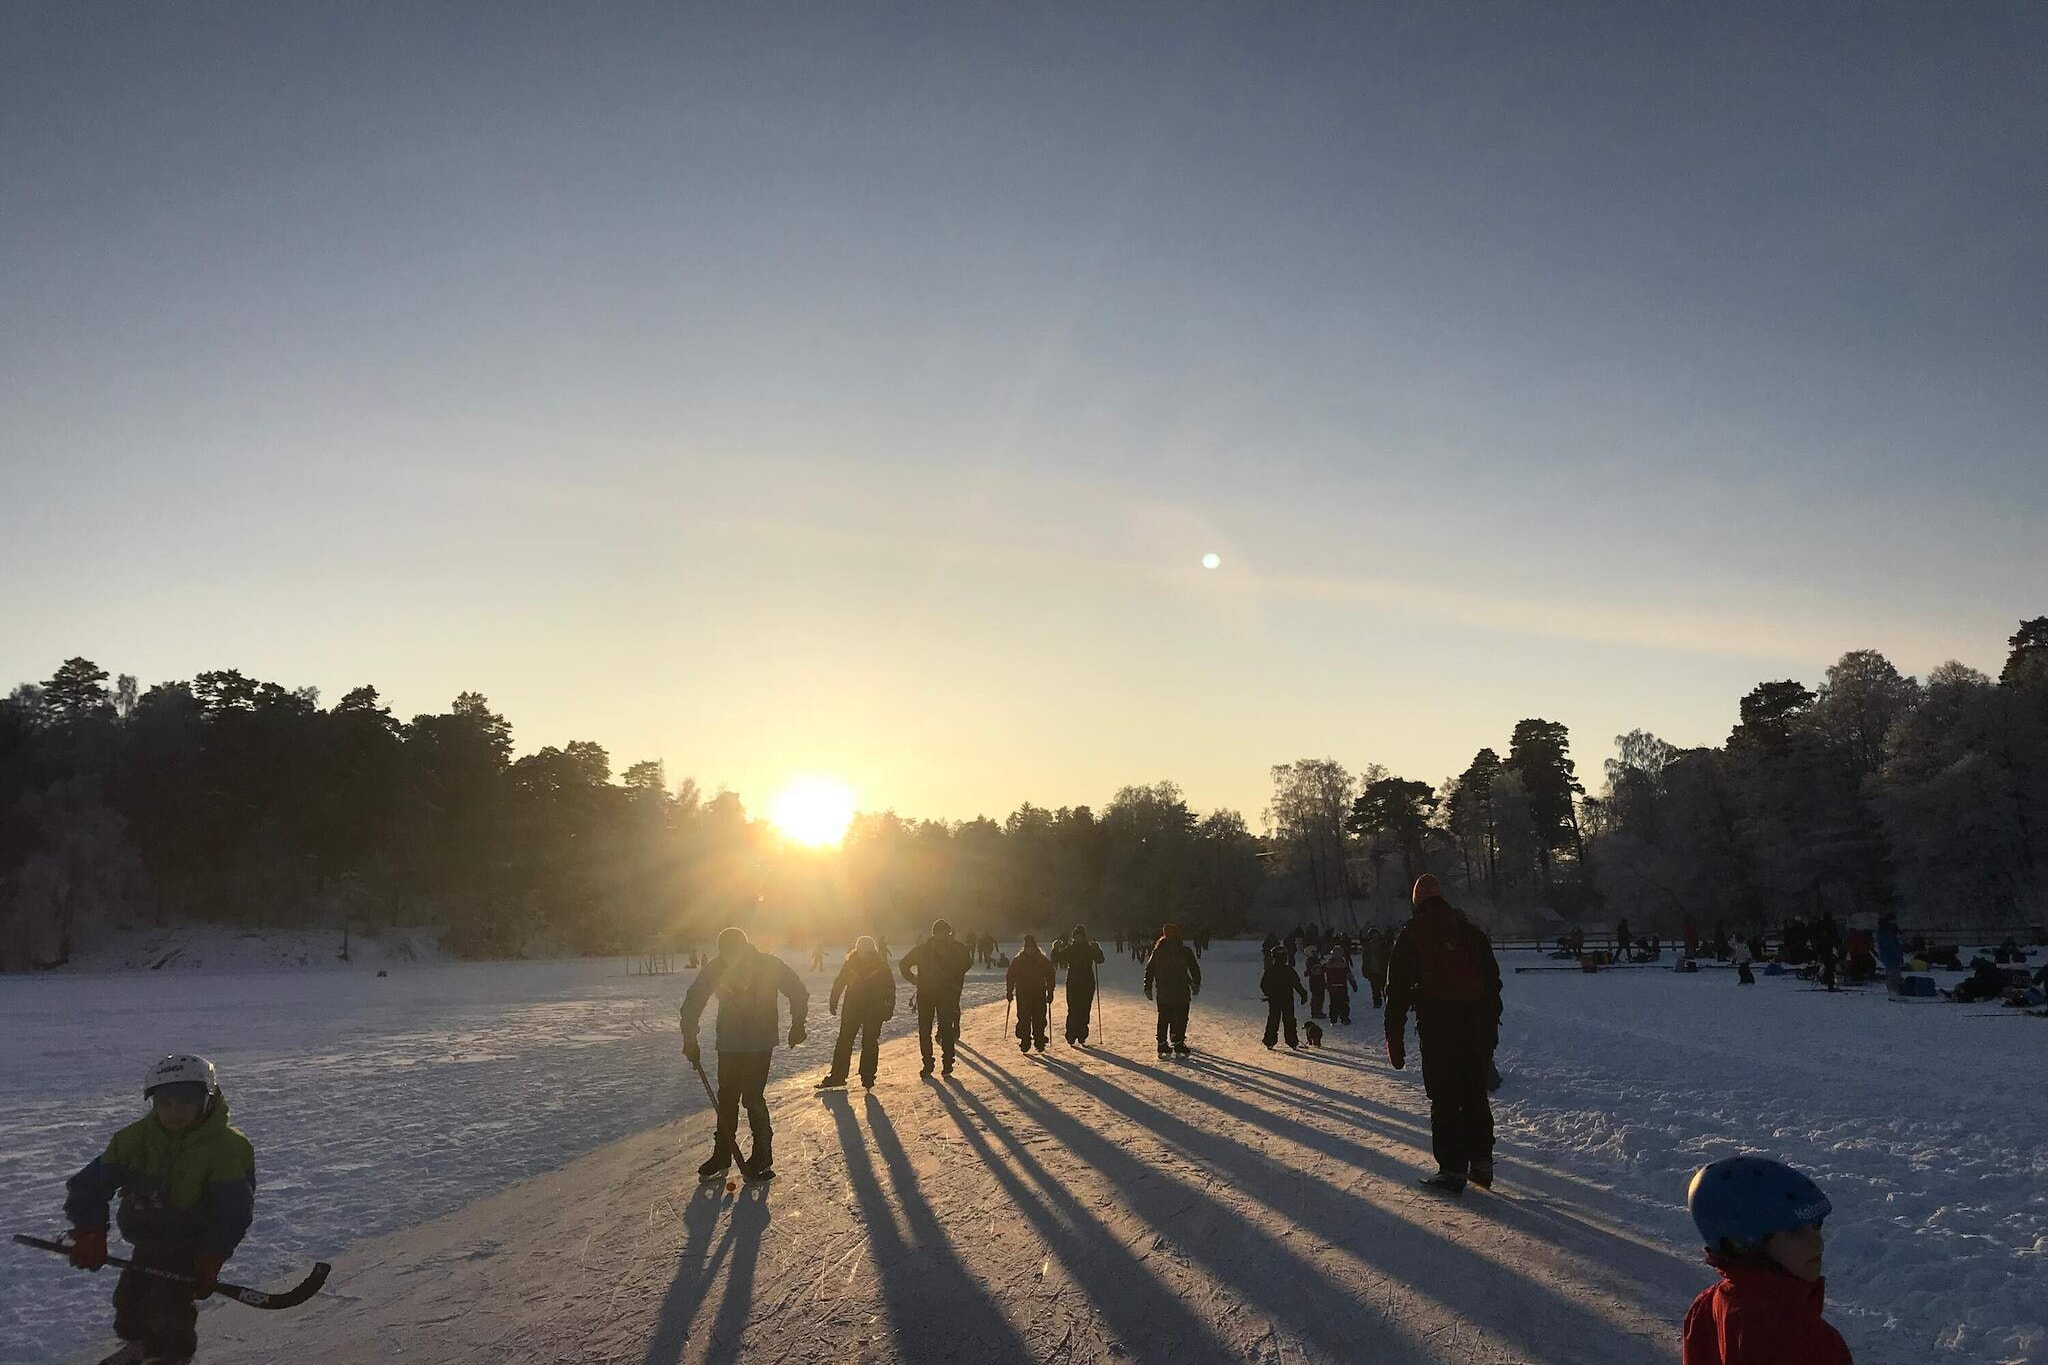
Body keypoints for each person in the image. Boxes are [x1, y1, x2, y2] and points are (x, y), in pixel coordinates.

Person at [63, 1054, 257, 1365]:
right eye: (164, 1102)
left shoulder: (227, 1147)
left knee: (169, 1307)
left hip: (190, 1247)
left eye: (185, 1101)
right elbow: (88, 1186)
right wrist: (90, 1233)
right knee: (130, 1299)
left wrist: (212, 1256)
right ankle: (140, 1345)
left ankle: (168, 1356)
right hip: (148, 1237)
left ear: (207, 1099)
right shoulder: (133, 1140)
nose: (174, 1111)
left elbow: (234, 1210)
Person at [1385, 875, 1503, 1194]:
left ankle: (1452, 1170)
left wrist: (1394, 1039)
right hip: (1476, 1026)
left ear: (1417, 901)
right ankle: (1482, 1163)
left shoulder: (1412, 935)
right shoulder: (1469, 933)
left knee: (1445, 1097)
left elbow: (1396, 991)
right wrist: (1490, 1029)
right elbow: (1493, 983)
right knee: (1475, 1094)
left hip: (1439, 1029)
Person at [1682, 1156, 1852, 1364]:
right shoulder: (1808, 1341)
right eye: (1794, 1232)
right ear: (1742, 1242)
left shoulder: (1709, 1305)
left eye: (1816, 1226)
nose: (1817, 1244)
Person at [679, 927, 809, 1183]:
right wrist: (689, 1038)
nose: (730, 960)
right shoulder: (716, 967)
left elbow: (797, 990)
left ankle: (762, 1154)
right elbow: (694, 999)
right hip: (729, 1042)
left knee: (751, 1097)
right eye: (726, 955)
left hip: (759, 1042)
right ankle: (723, 1153)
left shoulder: (768, 964)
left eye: (733, 954)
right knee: (726, 1097)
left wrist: (798, 1023)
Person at [818, 936, 895, 1090]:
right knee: (844, 1041)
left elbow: (889, 987)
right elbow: (839, 982)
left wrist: (888, 1007)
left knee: (869, 1041)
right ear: (857, 950)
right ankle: (838, 1076)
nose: (864, 955)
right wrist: (834, 1000)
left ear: (872, 951)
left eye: (867, 952)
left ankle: (867, 1076)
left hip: (874, 1009)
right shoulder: (850, 964)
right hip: (852, 1008)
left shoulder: (880, 965)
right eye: (862, 952)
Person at [900, 917, 973, 1076]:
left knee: (934, 1030)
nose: (944, 936)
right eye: (943, 933)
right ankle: (936, 1063)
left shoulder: (926, 949)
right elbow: (904, 964)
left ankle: (940, 1063)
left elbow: (903, 964)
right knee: (934, 1030)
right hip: (938, 994)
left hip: (934, 993)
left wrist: (913, 978)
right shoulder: (955, 948)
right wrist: (913, 978)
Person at [1143, 922, 1203, 1057]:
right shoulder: (1184, 950)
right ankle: (1178, 1042)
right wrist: (1196, 983)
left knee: (1164, 1017)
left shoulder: (1158, 951)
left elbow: (1150, 969)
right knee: (1180, 1017)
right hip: (1181, 990)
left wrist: (1147, 986)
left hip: (1163, 991)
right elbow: (1194, 968)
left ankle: (1162, 1044)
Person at [1050, 925, 1106, 1046]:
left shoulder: (1089, 948)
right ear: (1074, 937)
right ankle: (1071, 1035)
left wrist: (1098, 950)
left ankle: (1082, 1035)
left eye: (1081, 936)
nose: (1078, 938)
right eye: (1076, 936)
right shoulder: (1071, 949)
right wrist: (1055, 949)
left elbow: (1100, 960)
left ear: (1084, 937)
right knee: (1073, 1010)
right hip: (1073, 984)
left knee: (1085, 1010)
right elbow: (1056, 959)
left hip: (1087, 983)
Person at [1006, 934, 1056, 1053]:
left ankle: (1039, 1040)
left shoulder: (1042, 960)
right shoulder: (1018, 961)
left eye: (1032, 947)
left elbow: (1050, 975)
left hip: (1039, 993)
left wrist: (1050, 991)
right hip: (1023, 994)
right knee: (1024, 1017)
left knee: (1039, 1017)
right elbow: (1010, 976)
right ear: (1025, 948)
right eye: (1028, 948)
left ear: (1035, 947)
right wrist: (1009, 990)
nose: (1030, 950)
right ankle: (1025, 1040)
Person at [1260, 947, 1309, 1049]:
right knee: (1288, 1020)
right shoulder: (1288, 970)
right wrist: (1303, 994)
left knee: (1274, 1020)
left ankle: (1270, 1041)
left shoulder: (1271, 971)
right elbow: (1297, 984)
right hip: (1286, 999)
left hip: (1275, 1000)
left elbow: (1263, 985)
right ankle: (1292, 1041)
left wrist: (1269, 993)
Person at [1321, 946, 1358, 1025]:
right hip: (1341, 986)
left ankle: (1334, 1018)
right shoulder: (1343, 965)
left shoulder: (1329, 964)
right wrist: (1353, 983)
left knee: (1335, 1003)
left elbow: (1320, 971)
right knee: (1343, 1002)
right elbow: (1349, 975)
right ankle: (1343, 1017)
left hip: (1333, 987)